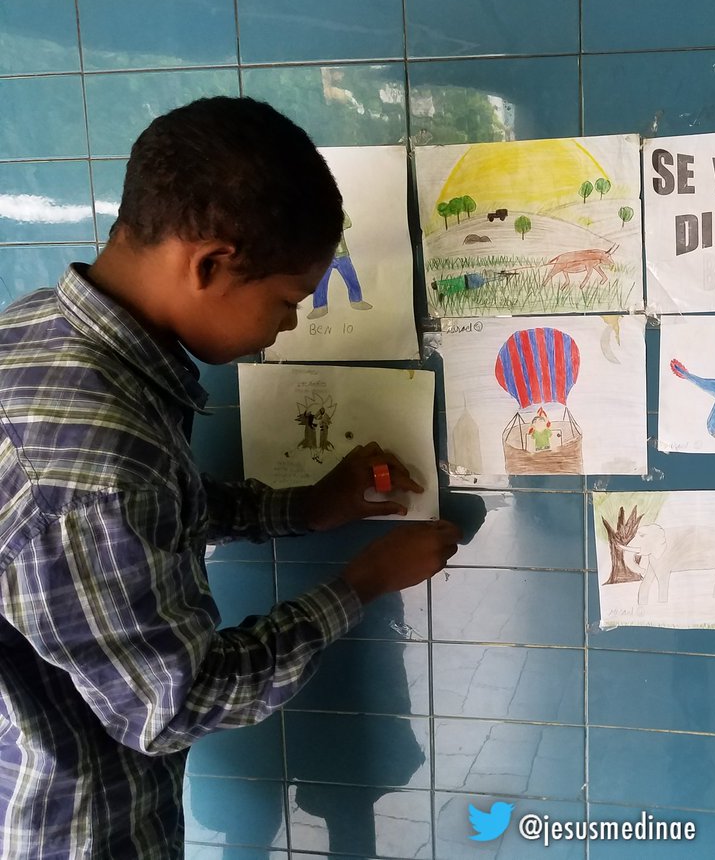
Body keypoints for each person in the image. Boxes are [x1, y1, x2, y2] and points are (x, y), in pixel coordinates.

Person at [0, 96, 462, 859]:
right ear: (210, 263)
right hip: (70, 827)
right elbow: (175, 704)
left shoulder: (39, 332)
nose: (285, 327)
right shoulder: (94, 456)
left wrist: (305, 508)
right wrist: (364, 581)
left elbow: (145, 516)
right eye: (285, 303)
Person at [308, 211, 372, 320]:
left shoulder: (336, 209)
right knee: (320, 283)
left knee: (351, 279)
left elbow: (348, 222)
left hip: (341, 253)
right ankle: (320, 307)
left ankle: (357, 301)